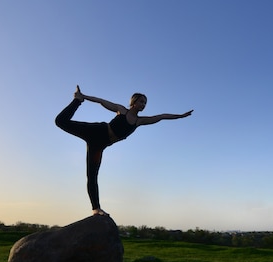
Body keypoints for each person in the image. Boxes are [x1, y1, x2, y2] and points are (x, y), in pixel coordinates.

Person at [55, 85, 193, 217]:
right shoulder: (122, 110)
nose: (143, 105)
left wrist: (180, 116)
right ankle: (77, 100)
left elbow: (161, 116)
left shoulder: (139, 121)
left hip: (99, 145)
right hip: (97, 131)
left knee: (92, 175)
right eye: (141, 101)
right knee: (60, 121)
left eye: (145, 103)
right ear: (133, 102)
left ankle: (96, 209)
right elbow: (102, 101)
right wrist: (83, 96)